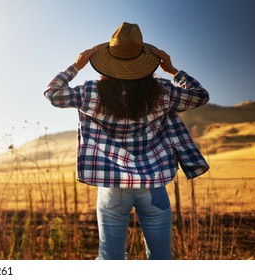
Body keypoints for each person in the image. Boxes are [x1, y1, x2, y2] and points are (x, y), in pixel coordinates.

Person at [43, 22, 210, 260]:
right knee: (161, 258)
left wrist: (76, 66)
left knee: (110, 259)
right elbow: (200, 96)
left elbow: (53, 93)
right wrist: (173, 70)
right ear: (144, 62)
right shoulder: (162, 91)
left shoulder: (92, 92)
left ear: (105, 62)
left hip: (112, 184)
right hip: (153, 182)